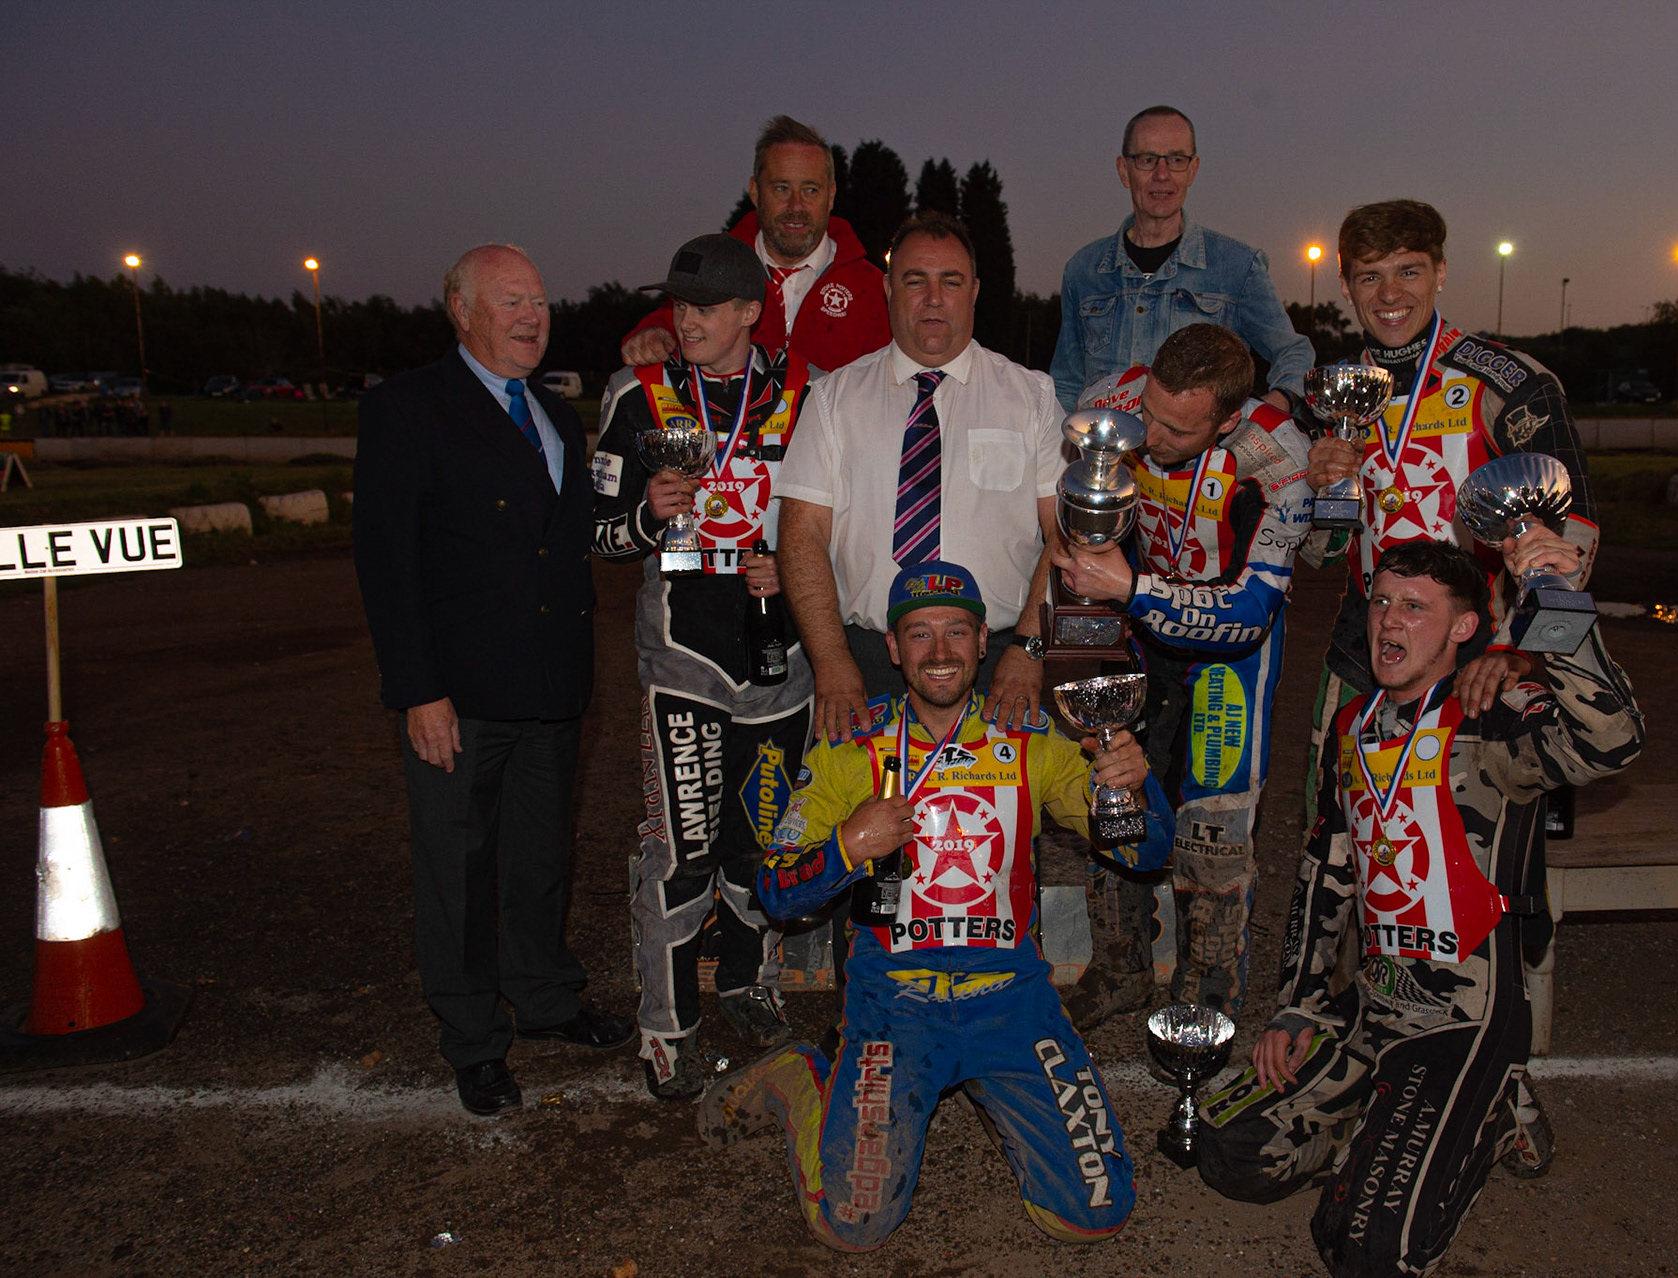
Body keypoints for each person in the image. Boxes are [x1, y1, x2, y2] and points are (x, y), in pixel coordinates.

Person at [697, 561, 1174, 1251]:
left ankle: (999, 1086)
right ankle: (800, 1076)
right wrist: (846, 847)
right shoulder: (848, 747)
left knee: (1093, 1214)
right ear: (892, 649)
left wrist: (1133, 787)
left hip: (1011, 999)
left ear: (986, 641)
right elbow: (775, 889)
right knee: (852, 1224)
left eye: (957, 632)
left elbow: (1142, 854)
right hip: (896, 1003)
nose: (941, 652)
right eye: (919, 634)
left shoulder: (1034, 739)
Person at [1196, 538, 1641, 1275]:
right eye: (1380, 603)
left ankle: (1488, 1113)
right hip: (1374, 1001)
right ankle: (1399, 1124)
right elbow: (1324, 874)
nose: (1387, 623)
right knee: (1231, 1151)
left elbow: (1612, 742)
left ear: (1464, 628)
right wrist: (1299, 1007)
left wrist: (1554, 611)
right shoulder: (1355, 728)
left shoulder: (1492, 712)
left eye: (1414, 607)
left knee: (1365, 1248)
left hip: (1465, 1016)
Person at [353, 243, 633, 1118]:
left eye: (540, 301)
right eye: (510, 301)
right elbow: (386, 563)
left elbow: (568, 532)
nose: (530, 316)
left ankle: (545, 996)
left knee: (542, 856)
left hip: (552, 685)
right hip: (461, 694)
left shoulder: (555, 416)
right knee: (458, 868)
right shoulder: (407, 409)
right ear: (460, 310)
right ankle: (473, 1037)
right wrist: (417, 689)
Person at [1299, 199, 1600, 849]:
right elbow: (1322, 556)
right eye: (1369, 276)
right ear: (1345, 283)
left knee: (1472, 847)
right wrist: (1322, 493)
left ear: (1440, 272)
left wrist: (1518, 649)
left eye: (1408, 271)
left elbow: (1575, 527)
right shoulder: (1337, 392)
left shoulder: (1508, 381)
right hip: (1365, 642)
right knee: (1341, 838)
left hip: (1481, 646)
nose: (1389, 295)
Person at [592, 233, 815, 1098]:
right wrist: (647, 515)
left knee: (761, 844)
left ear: (751, 313)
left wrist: (792, 567)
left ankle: (750, 988)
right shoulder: (635, 392)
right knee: (681, 847)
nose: (686, 321)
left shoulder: (807, 394)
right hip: (683, 654)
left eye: (708, 307)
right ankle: (666, 1025)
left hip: (778, 652)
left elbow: (835, 525)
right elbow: (597, 532)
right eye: (679, 305)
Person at [1050, 324, 1315, 1028]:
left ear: (1227, 419)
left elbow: (1255, 609)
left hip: (1229, 654)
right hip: (1134, 632)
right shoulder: (1109, 402)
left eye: (1174, 428)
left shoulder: (1281, 460)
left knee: (1214, 828)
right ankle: (1119, 969)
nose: (1149, 435)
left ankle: (1206, 987)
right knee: (1115, 796)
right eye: (1148, 412)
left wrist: (1134, 589)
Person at [775, 211, 1064, 744]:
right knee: (865, 823)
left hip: (998, 660)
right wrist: (832, 663)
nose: (933, 298)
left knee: (991, 826)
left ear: (974, 290)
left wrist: (1029, 651)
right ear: (888, 289)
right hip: (866, 664)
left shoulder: (1033, 399)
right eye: (915, 280)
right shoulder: (834, 400)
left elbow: (1063, 535)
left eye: (950, 281)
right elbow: (800, 536)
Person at [1050, 105, 1314, 415]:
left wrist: (1271, 408)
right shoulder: (1084, 270)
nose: (1162, 175)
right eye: (1147, 160)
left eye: (1176, 160)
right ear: (1124, 171)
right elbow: (1066, 384)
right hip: (1109, 460)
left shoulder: (1238, 267)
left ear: (1193, 170)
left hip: (1206, 463)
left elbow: (1295, 352)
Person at [620, 116, 889, 375]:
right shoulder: (715, 268)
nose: (796, 206)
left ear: (831, 196)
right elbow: (670, 322)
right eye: (781, 188)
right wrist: (652, 335)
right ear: (755, 192)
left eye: (810, 190)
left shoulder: (874, 289)